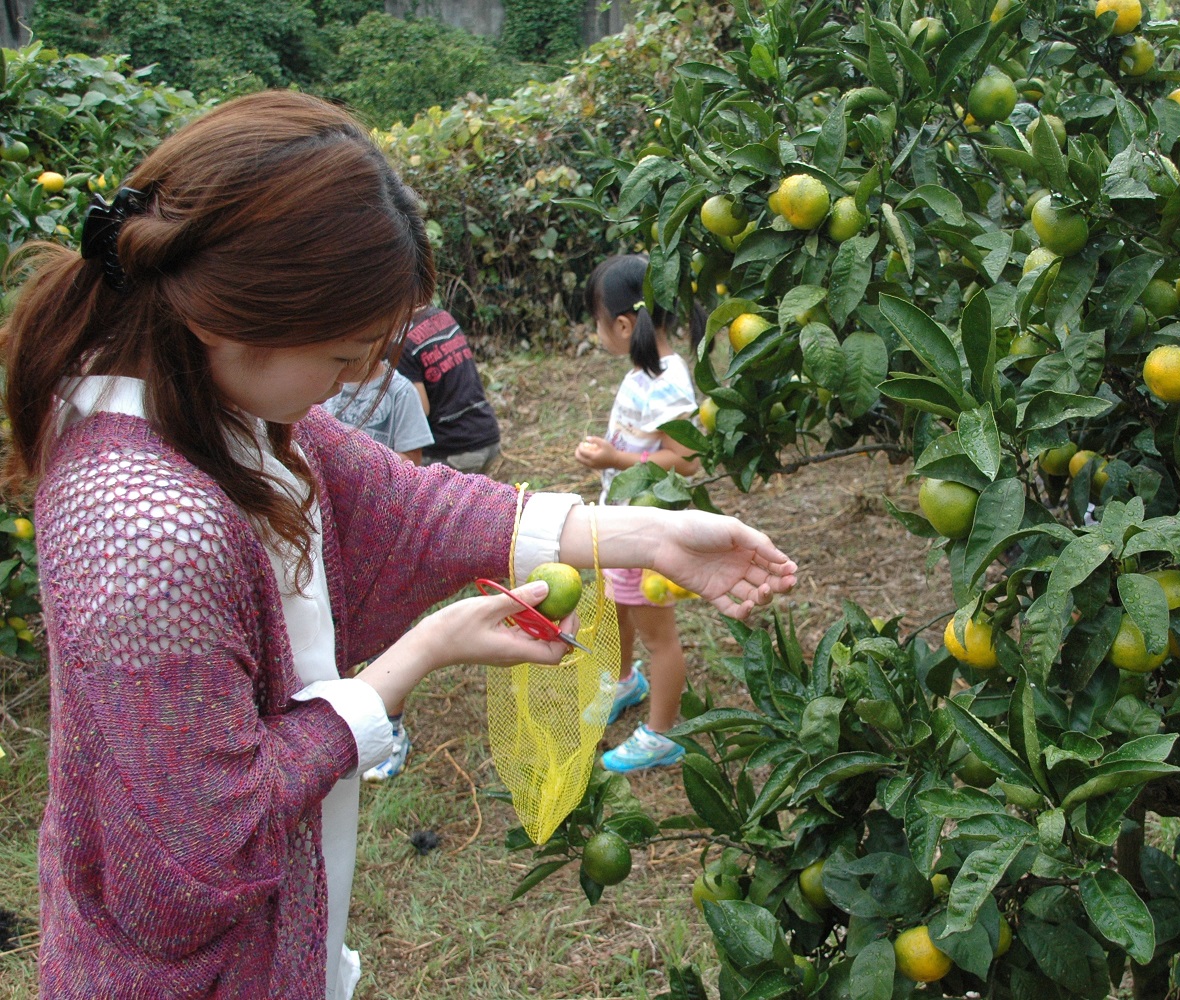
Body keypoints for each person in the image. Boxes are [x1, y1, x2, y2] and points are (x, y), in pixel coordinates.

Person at [2, 91, 796, 1000]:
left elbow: (413, 505)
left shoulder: (221, 405)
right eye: (342, 356)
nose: (362, 378)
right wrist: (424, 651)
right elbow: (207, 843)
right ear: (227, 315)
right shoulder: (145, 529)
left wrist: (654, 534)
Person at [575, 254, 704, 774]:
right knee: (617, 610)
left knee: (659, 635)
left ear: (624, 325)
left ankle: (663, 733)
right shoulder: (645, 371)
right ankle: (626, 681)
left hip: (649, 530)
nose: (597, 332)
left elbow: (686, 462)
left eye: (598, 322)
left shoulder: (668, 382)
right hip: (622, 523)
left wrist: (614, 459)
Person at [320, 361, 432, 780]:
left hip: (380, 535)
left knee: (386, 637)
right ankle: (345, 721)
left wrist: (363, 472)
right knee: (338, 633)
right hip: (331, 533)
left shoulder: (399, 392)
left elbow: (411, 468)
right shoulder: (322, 384)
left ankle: (391, 728)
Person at [397, 303, 502, 472]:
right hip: (487, 433)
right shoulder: (440, 316)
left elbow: (419, 410)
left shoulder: (401, 343)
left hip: (455, 450)